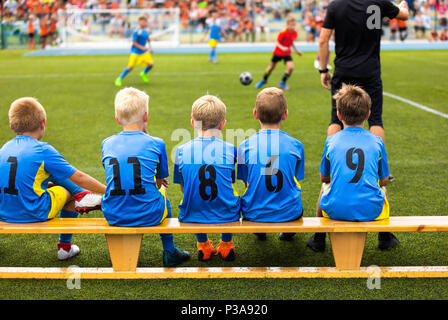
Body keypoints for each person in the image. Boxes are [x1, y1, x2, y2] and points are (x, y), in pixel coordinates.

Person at [0, 97, 105, 261]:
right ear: (43, 123)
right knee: (67, 191)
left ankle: (82, 194)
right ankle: (65, 247)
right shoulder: (42, 150)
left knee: (52, 174)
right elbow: (78, 176)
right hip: (31, 211)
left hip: (4, 211)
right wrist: (108, 191)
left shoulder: (4, 148)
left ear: (12, 126)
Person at [101, 87, 190, 267]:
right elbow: (160, 179)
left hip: (113, 214)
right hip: (149, 214)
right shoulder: (157, 143)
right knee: (163, 193)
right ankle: (169, 250)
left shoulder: (106, 143)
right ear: (146, 116)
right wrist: (160, 184)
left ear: (117, 119)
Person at [307, 85, 398, 252]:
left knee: (324, 187)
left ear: (339, 115)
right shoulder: (377, 141)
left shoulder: (332, 141)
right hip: (371, 210)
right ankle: (385, 237)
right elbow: (384, 179)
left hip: (335, 209)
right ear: (368, 114)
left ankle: (318, 238)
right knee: (383, 188)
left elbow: (323, 177)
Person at [318, 0, 409, 142]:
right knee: (375, 120)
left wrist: (323, 70)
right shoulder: (379, 2)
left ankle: (331, 160)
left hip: (344, 70)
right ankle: (378, 163)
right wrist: (403, 5)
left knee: (336, 119)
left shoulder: (335, 6)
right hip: (370, 71)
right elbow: (404, 16)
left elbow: (323, 40)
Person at [173, 95, 240, 262]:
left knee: (191, 192)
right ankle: (226, 244)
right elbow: (229, 182)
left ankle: (203, 246)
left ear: (192, 123)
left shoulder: (181, 150)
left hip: (191, 213)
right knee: (232, 191)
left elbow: (183, 188)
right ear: (223, 124)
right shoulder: (231, 149)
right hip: (227, 215)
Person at [237, 87, 305, 241]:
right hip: (290, 212)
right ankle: (287, 233)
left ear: (255, 114)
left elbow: (246, 181)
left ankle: (259, 231)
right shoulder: (296, 145)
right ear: (285, 114)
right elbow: (295, 178)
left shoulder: (245, 146)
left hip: (253, 212)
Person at [255, 14, 303, 91]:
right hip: (278, 52)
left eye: (294, 25)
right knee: (271, 67)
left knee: (290, 67)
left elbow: (291, 42)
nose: (293, 27)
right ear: (287, 25)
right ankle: (264, 80)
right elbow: (277, 42)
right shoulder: (283, 33)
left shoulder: (295, 33)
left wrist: (297, 51)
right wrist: (282, 47)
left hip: (287, 53)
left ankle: (282, 82)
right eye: (291, 25)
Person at [115, 16, 154, 87]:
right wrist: (142, 47)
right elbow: (134, 43)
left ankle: (143, 73)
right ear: (139, 22)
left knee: (151, 64)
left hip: (143, 52)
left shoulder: (147, 30)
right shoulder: (136, 31)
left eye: (144, 21)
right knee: (130, 67)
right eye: (142, 21)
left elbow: (148, 39)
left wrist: (150, 47)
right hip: (135, 52)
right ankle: (119, 79)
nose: (143, 23)